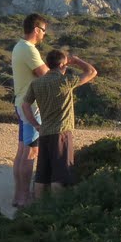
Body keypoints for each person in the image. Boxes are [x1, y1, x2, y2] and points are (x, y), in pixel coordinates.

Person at [21, 49, 97, 196]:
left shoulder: (36, 83)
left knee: (42, 176)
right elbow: (91, 72)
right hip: (61, 132)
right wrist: (76, 60)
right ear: (62, 65)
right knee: (60, 176)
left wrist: (35, 124)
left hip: (44, 133)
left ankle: (38, 207)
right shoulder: (65, 81)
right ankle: (57, 209)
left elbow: (25, 105)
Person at [10, 13, 49, 207]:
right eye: (43, 31)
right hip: (31, 107)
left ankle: (19, 195)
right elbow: (45, 75)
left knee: (22, 150)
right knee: (31, 152)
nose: (44, 35)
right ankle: (24, 197)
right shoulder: (29, 49)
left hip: (21, 103)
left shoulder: (18, 46)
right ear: (36, 29)